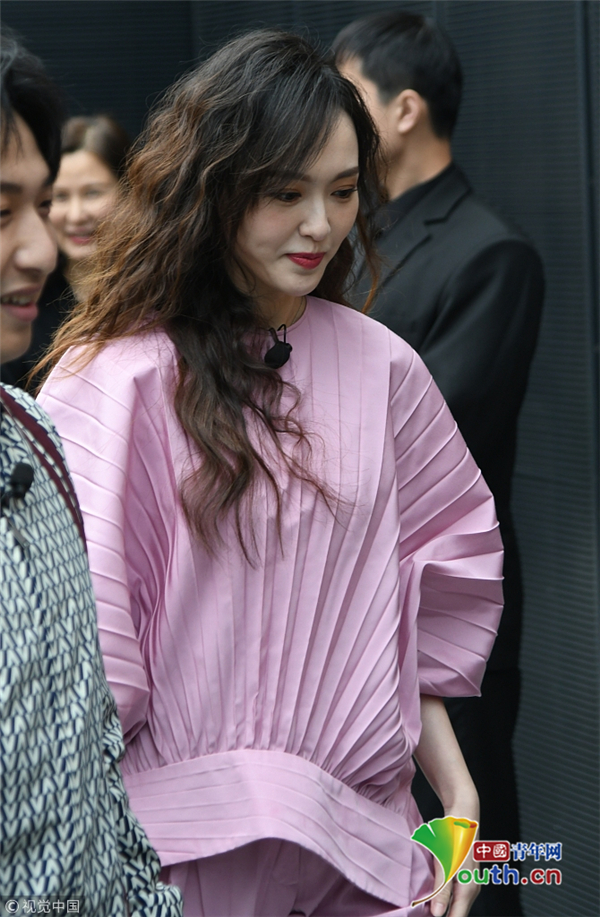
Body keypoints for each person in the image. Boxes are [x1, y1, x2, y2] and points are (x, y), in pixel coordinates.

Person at [38, 30, 503, 917]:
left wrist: (461, 797)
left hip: (361, 849)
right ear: (214, 188)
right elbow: (76, 653)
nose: (321, 224)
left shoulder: (385, 369)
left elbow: (421, 592)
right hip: (174, 851)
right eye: (285, 192)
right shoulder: (116, 378)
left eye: (342, 191)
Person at [333, 12, 544, 917]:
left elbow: (432, 437)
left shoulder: (491, 252)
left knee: (479, 852)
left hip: (448, 603)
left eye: (350, 96)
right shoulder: (348, 237)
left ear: (406, 109)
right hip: (348, 599)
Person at [0, 30, 182, 916]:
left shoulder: (34, 438)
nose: (41, 245)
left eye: (43, 204)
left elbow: (96, 768)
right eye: (2, 210)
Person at [1, 114, 130, 389]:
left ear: (129, 192)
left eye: (92, 193)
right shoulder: (23, 301)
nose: (76, 215)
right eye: (59, 197)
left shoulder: (161, 295)